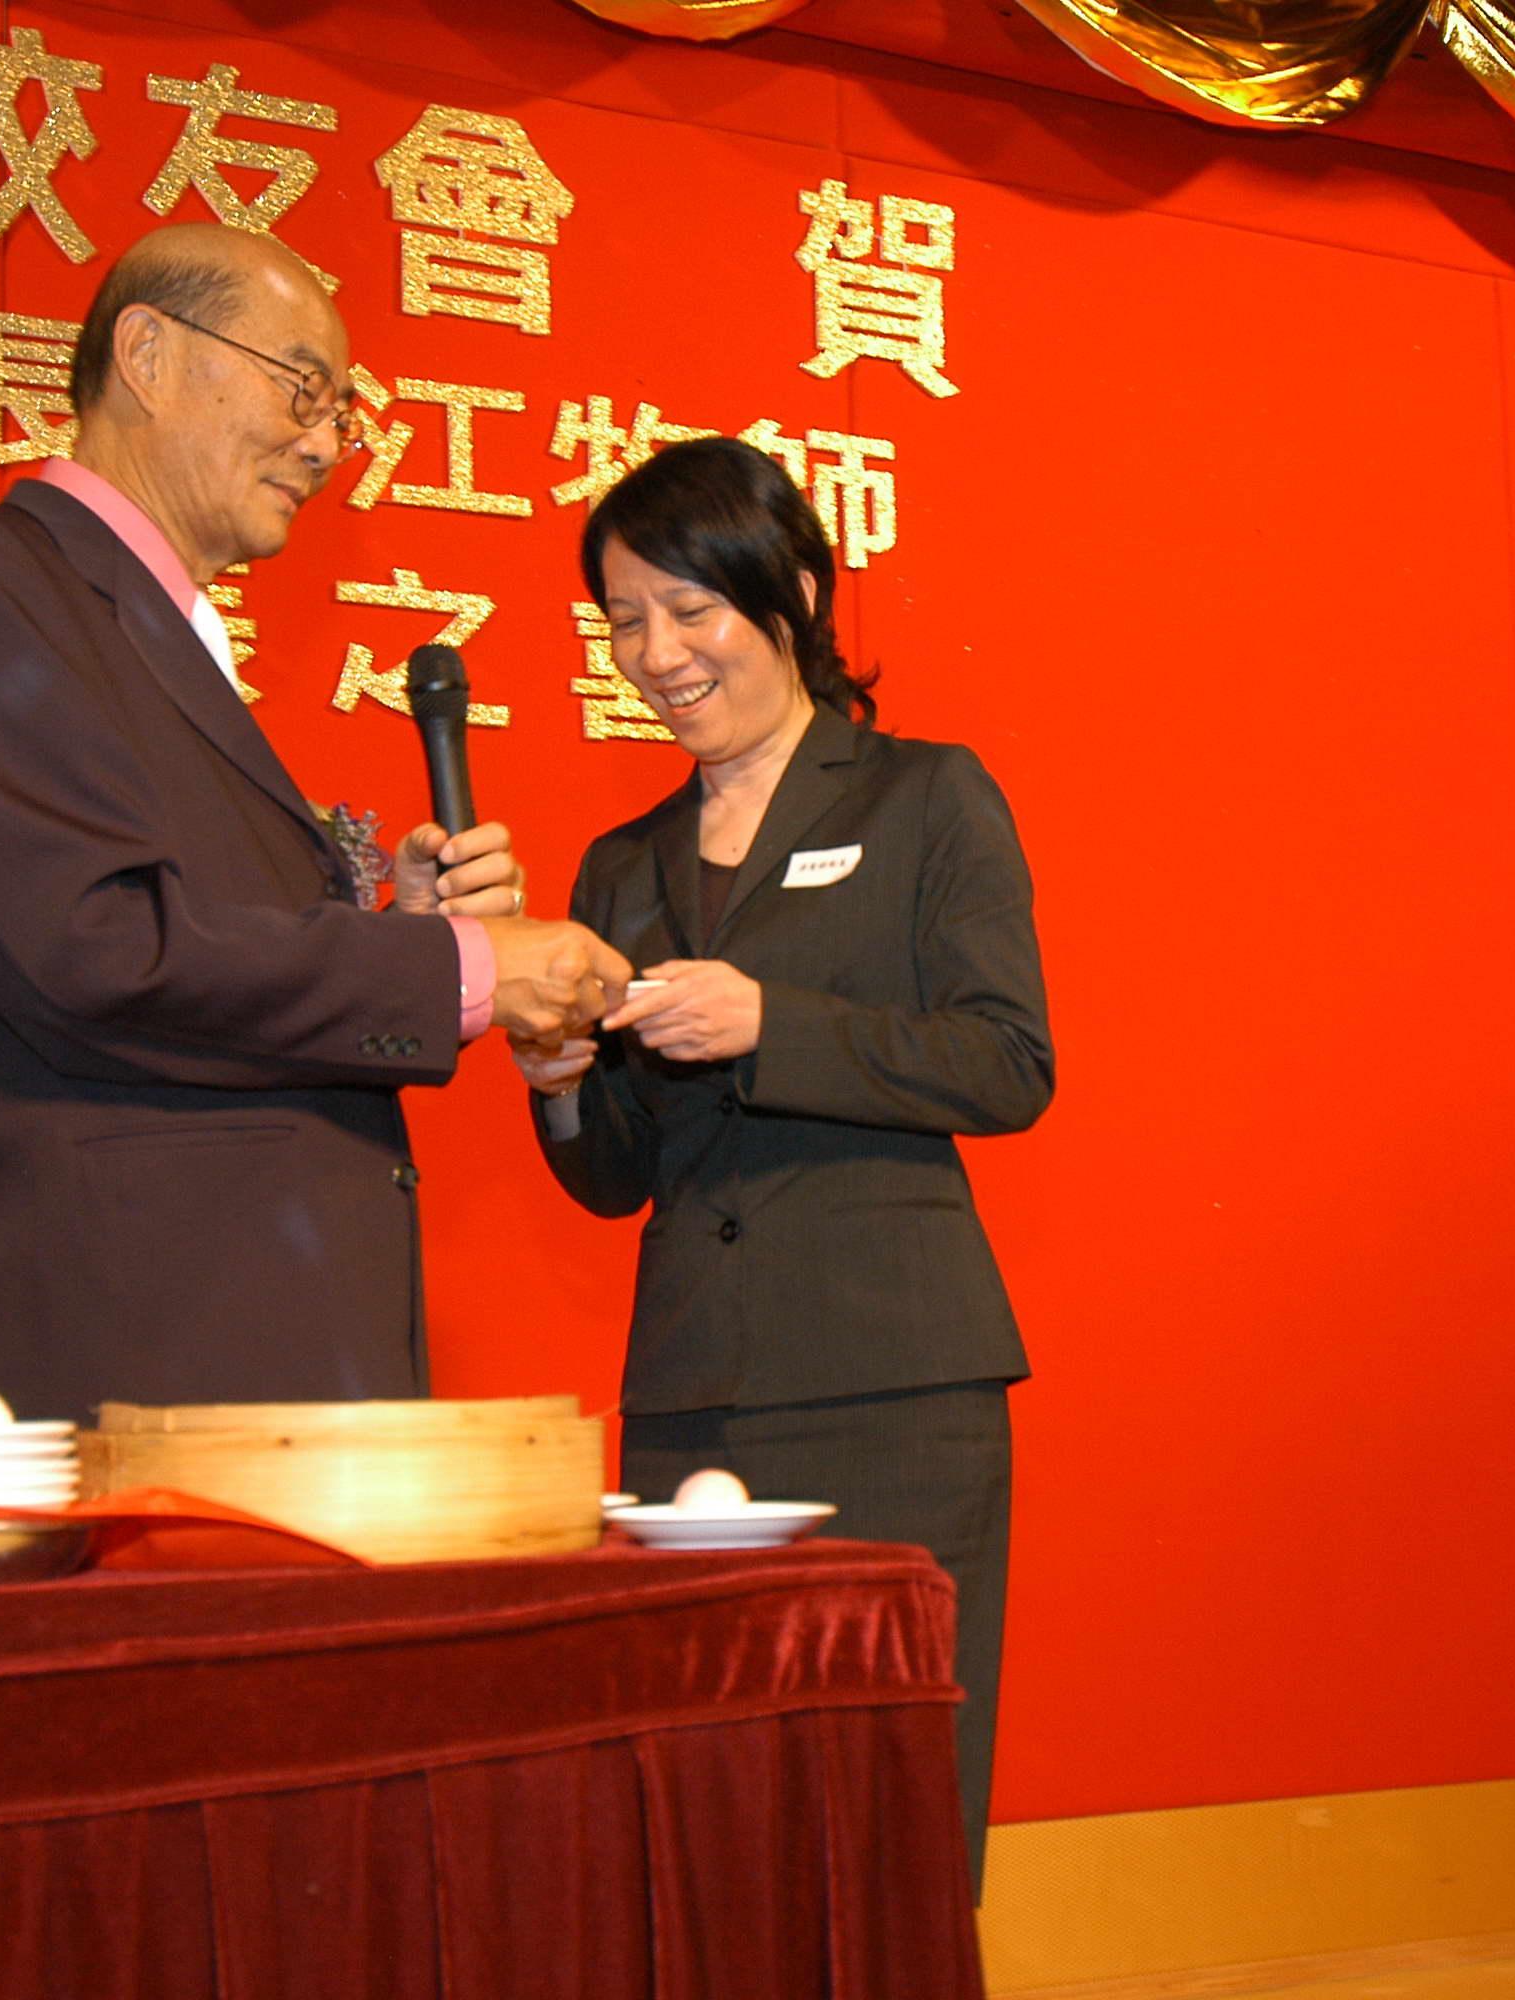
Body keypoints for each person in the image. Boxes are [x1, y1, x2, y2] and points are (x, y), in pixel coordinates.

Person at [0, 222, 628, 1423]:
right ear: (147, 354)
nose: (324, 444)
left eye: (342, 412)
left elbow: (197, 944)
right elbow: (94, 946)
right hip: (133, 1360)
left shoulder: (165, 632)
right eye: (301, 386)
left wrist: (395, 928)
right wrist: (461, 968)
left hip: (255, 1360)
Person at [512, 436, 1053, 1894]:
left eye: (691, 609)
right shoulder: (621, 863)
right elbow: (614, 1175)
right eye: (625, 620)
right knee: (701, 1812)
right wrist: (558, 1080)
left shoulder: (924, 797)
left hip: (894, 1388)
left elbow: (1007, 1063)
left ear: (794, 594)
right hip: (692, 1397)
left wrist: (775, 1025)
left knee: (889, 1807)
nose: (658, 654)